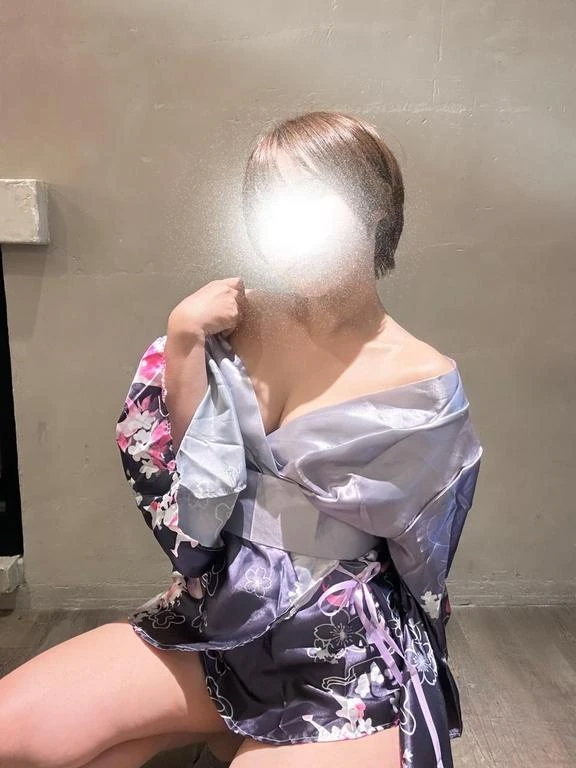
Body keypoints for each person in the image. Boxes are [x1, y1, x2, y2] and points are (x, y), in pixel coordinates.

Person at [0, 111, 482, 768]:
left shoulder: (424, 380)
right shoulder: (224, 325)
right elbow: (186, 503)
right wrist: (182, 340)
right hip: (218, 625)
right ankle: (230, 725)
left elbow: (424, 570)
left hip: (344, 654)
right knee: (16, 732)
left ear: (375, 209)